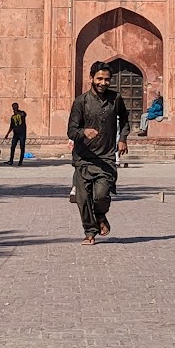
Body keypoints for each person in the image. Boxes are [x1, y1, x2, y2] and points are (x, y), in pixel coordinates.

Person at [67, 61, 130, 245]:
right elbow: (71, 131)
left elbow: (124, 119)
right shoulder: (81, 101)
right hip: (84, 157)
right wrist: (83, 132)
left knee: (101, 195)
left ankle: (101, 215)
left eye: (107, 79)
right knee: (83, 199)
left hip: (106, 158)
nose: (103, 83)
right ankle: (90, 232)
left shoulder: (115, 99)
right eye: (99, 79)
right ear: (91, 78)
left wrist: (123, 138)